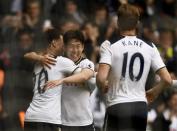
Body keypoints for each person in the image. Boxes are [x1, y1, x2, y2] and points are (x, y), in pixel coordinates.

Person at [96, 4, 174, 131]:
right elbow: (166, 79)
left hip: (117, 105)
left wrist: (102, 85)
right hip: (140, 107)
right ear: (137, 23)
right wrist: (154, 92)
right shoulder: (150, 46)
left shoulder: (109, 45)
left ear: (118, 22)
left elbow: (101, 78)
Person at [24, 28, 94, 131]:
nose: (63, 47)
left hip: (30, 117)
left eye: (78, 46)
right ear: (54, 43)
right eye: (63, 43)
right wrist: (98, 74)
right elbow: (85, 75)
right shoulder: (61, 62)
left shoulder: (38, 61)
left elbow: (26, 55)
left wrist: (38, 57)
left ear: (83, 47)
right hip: (49, 119)